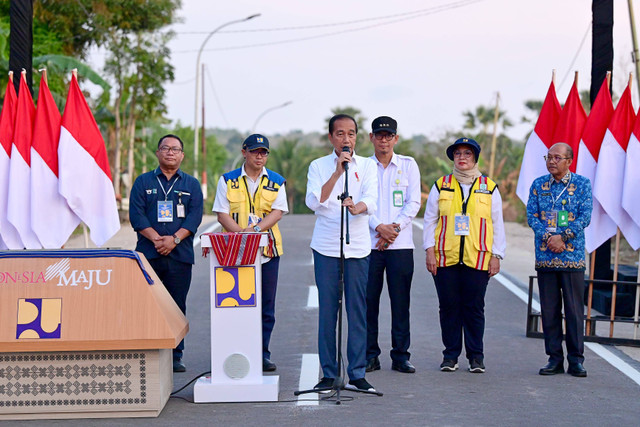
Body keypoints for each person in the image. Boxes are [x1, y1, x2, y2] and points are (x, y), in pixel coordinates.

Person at [306, 114, 378, 392]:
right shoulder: (319, 166)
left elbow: (371, 199)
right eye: (340, 134)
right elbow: (315, 201)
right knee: (328, 311)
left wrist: (359, 207)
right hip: (326, 247)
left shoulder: (368, 166)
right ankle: (329, 373)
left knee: (357, 310)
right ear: (330, 138)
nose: (346, 139)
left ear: (357, 137)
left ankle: (357, 373)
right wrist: (337, 172)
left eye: (351, 134)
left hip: (358, 247)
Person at [423, 137, 505, 373]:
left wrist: (496, 255)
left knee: (474, 307)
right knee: (448, 307)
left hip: (477, 257)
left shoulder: (489, 187)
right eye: (458, 153)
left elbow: (497, 223)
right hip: (445, 257)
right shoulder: (441, 185)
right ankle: (450, 356)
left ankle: (476, 357)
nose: (462, 158)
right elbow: (430, 220)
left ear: (475, 158)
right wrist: (429, 250)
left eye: (467, 154)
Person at [212, 133, 288, 372]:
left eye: (264, 152)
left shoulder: (276, 181)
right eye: (255, 151)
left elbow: (277, 212)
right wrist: (241, 235)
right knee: (235, 304)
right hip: (233, 253)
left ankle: (262, 353)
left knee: (266, 307)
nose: (259, 156)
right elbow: (221, 213)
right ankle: (234, 351)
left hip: (267, 251)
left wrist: (254, 231)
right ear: (244, 152)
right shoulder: (228, 180)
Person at [130, 134, 203, 373]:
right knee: (148, 305)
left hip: (180, 255)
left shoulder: (191, 185)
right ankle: (150, 353)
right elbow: (136, 216)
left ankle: (175, 355)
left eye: (175, 149)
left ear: (182, 155)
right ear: (158, 153)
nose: (170, 152)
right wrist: (157, 240)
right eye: (165, 148)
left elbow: (194, 217)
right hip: (148, 255)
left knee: (176, 305)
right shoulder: (143, 182)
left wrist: (174, 240)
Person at [527, 142, 592, 377]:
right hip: (546, 256)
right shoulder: (538, 185)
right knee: (549, 310)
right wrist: (548, 236)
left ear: (569, 161)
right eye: (549, 157)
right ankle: (554, 358)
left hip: (572, 256)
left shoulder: (582, 184)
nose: (551, 161)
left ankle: (576, 360)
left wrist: (562, 236)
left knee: (574, 311)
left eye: (557, 157)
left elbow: (585, 217)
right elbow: (531, 216)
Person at [365, 116, 421, 374]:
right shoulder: (363, 167)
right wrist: (379, 227)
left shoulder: (408, 165)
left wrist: (394, 229)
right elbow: (358, 202)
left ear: (396, 138)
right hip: (369, 244)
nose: (384, 140)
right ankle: (369, 355)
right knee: (368, 302)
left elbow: (413, 203)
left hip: (400, 245)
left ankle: (401, 355)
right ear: (371, 138)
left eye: (389, 135)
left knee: (400, 303)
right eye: (379, 135)